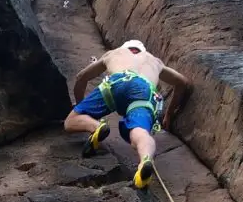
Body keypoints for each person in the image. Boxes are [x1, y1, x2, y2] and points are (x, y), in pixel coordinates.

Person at [63, 40, 192, 188]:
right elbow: (182, 82)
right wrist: (169, 114)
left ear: (125, 47)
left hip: (118, 81)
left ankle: (96, 126)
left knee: (71, 121)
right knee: (141, 132)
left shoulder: (113, 53)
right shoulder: (155, 61)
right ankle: (145, 160)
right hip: (145, 90)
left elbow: (81, 77)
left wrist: (81, 108)